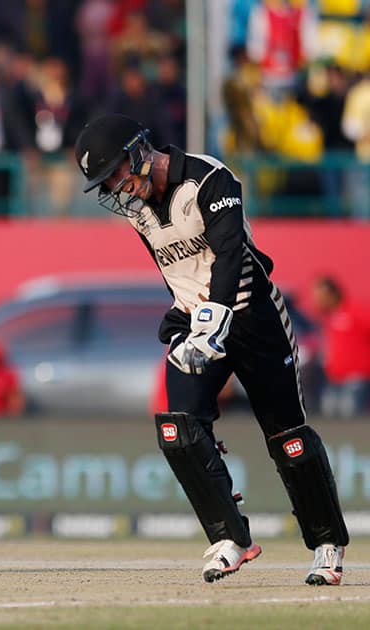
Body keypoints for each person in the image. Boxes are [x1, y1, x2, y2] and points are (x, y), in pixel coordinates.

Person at [73, 114, 349, 585]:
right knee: (177, 430)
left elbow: (229, 252)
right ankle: (231, 537)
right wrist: (188, 324)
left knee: (288, 437)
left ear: (138, 150)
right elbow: (174, 271)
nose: (117, 187)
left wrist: (215, 316)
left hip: (251, 316)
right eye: (107, 182)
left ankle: (327, 543)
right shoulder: (140, 210)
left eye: (117, 171)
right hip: (194, 320)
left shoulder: (209, 177)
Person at [310, 276, 370, 417]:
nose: (318, 300)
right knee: (329, 414)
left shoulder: (354, 311)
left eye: (321, 296)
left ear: (332, 294)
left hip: (355, 377)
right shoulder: (327, 316)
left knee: (349, 414)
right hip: (333, 378)